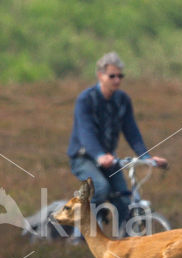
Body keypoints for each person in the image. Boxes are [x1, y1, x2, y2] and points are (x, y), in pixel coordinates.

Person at [67, 52, 167, 233]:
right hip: (83, 157)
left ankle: (126, 242)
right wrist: (99, 155)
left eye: (120, 76)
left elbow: (132, 132)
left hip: (108, 160)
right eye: (112, 76)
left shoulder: (122, 101)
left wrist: (147, 157)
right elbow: (86, 133)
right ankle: (79, 235)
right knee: (101, 188)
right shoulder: (86, 100)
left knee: (124, 198)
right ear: (100, 75)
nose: (117, 80)